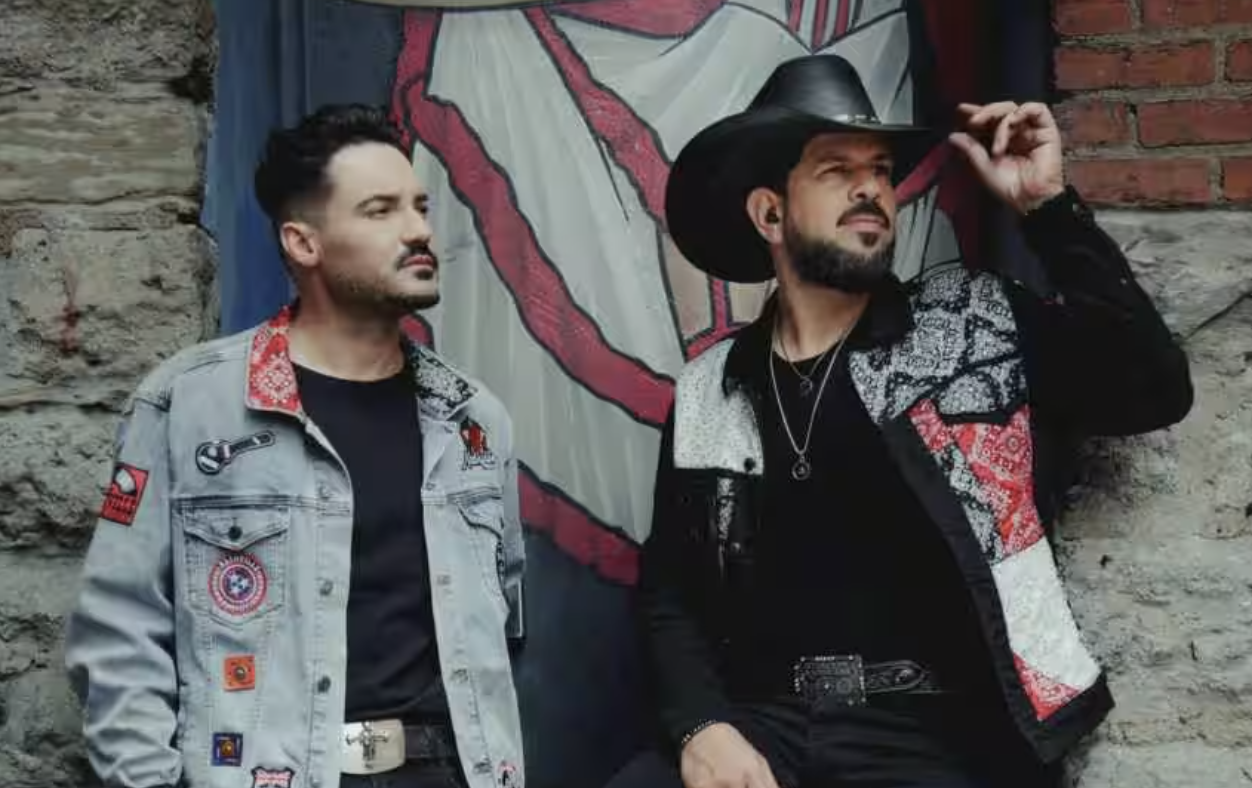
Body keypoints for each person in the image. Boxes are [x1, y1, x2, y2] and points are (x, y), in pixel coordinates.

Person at [614, 54, 1193, 788]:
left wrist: (1047, 209)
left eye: (881, 171)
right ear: (769, 214)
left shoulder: (972, 321)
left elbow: (1152, 389)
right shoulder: (710, 388)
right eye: (836, 170)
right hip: (770, 727)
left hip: (943, 735)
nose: (870, 189)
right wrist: (703, 726)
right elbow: (671, 591)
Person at [64, 104, 526, 788]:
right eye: (381, 210)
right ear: (303, 243)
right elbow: (118, 631)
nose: (419, 231)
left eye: (419, 207)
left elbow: (506, 625)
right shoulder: (188, 405)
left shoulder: (471, 421)